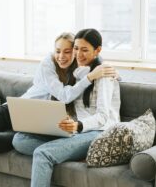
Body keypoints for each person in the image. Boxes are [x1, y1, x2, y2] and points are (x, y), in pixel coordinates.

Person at [12, 28, 121, 187]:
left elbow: (103, 116)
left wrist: (79, 125)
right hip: (77, 129)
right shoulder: (77, 72)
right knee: (19, 139)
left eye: (85, 50)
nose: (78, 54)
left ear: (97, 51)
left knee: (42, 153)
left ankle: (62, 152)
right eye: (76, 48)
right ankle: (68, 152)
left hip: (99, 131)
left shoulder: (104, 75)